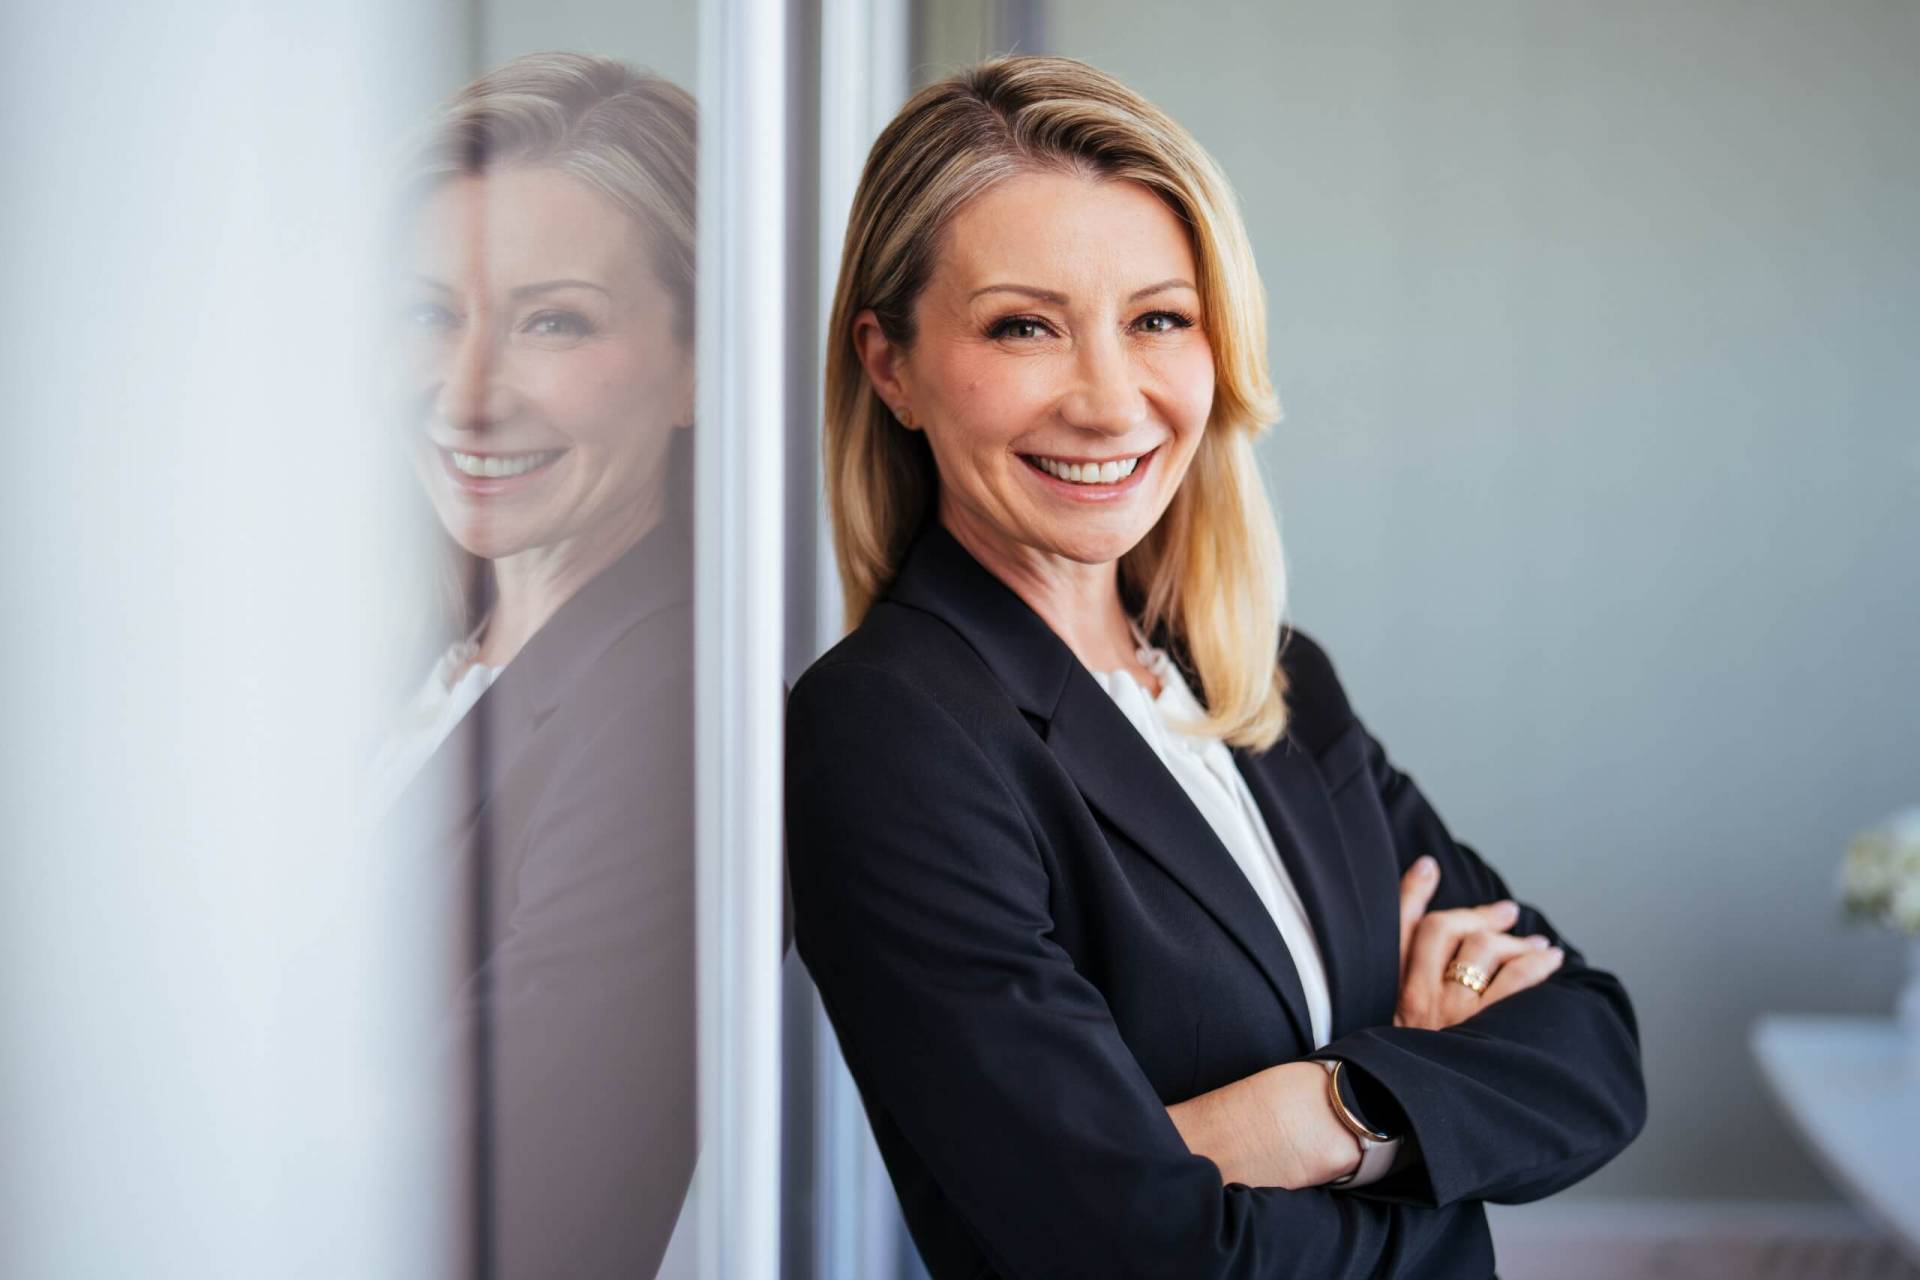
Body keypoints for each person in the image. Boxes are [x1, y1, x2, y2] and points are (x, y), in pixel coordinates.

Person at [787, 54, 1645, 1279]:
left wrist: (1323, 1112)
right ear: (890, 364)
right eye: (1024, 325)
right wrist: (1433, 1134)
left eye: (1158, 319)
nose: (1109, 399)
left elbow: (1590, 1050)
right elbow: (1128, 1248)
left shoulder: (1271, 682)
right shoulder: (890, 729)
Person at [374, 52, 697, 1277]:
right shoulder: (396, 656)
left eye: (551, 320)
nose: (463, 396)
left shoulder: (669, 711)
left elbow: (495, 1192)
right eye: (427, 313)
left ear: (696, 363)